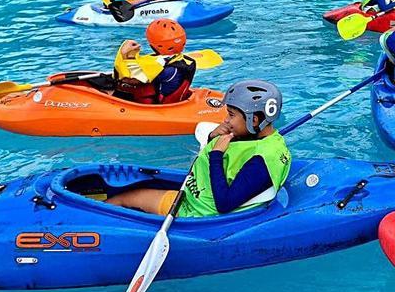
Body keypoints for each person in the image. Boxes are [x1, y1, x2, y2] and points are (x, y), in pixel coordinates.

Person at [107, 80, 291, 217]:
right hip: (194, 197)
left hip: (197, 213)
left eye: (231, 115)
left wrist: (216, 155)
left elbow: (224, 204)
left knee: (123, 199)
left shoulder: (262, 161)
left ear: (255, 120)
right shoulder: (253, 137)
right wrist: (213, 138)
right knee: (123, 196)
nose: (226, 120)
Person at [112, 19, 197, 104]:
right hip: (169, 97)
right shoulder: (181, 60)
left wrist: (125, 55)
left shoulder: (165, 69)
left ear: (153, 45)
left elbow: (131, 80)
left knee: (114, 89)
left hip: (157, 105)